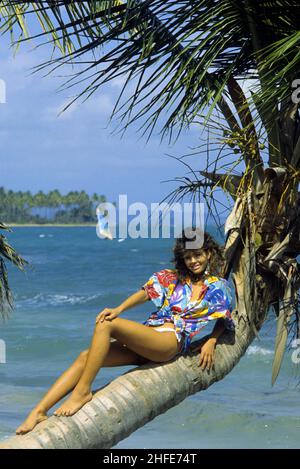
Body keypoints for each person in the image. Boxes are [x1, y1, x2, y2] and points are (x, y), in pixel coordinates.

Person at [16, 228, 234, 435]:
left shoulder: (217, 286)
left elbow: (225, 316)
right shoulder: (172, 278)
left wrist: (212, 341)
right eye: (188, 257)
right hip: (147, 339)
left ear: (208, 253)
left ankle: (82, 392)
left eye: (197, 255)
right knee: (86, 356)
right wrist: (119, 308)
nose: (193, 261)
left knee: (107, 324)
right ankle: (39, 411)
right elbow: (145, 293)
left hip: (168, 342)